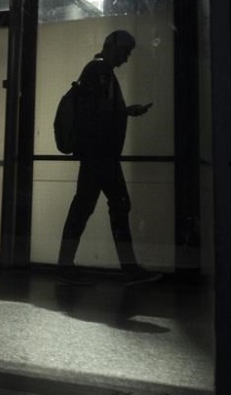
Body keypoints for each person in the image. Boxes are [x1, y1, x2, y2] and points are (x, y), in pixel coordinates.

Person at [57, 29, 161, 285]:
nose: (126, 58)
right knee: (116, 204)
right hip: (101, 155)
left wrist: (125, 112)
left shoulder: (97, 71)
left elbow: (96, 112)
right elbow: (98, 114)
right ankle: (128, 268)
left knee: (84, 206)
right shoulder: (100, 71)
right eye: (125, 51)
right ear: (113, 47)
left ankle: (65, 265)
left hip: (95, 154)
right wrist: (123, 113)